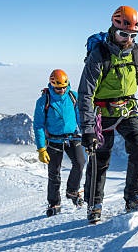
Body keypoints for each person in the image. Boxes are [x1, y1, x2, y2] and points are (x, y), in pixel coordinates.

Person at [78, 5, 138, 224]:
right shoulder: (99, 54)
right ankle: (95, 203)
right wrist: (88, 129)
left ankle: (135, 196)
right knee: (100, 157)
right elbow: (86, 92)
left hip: (127, 109)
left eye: (132, 35)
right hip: (102, 113)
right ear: (113, 29)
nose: (128, 39)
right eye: (123, 34)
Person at [33, 69, 86, 217]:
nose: (62, 90)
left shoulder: (72, 96)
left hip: (72, 137)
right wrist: (41, 148)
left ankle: (72, 191)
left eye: (64, 86)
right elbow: (38, 125)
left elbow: (80, 118)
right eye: (58, 88)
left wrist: (87, 134)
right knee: (54, 172)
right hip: (53, 140)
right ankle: (54, 202)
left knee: (80, 163)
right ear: (52, 85)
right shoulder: (44, 100)